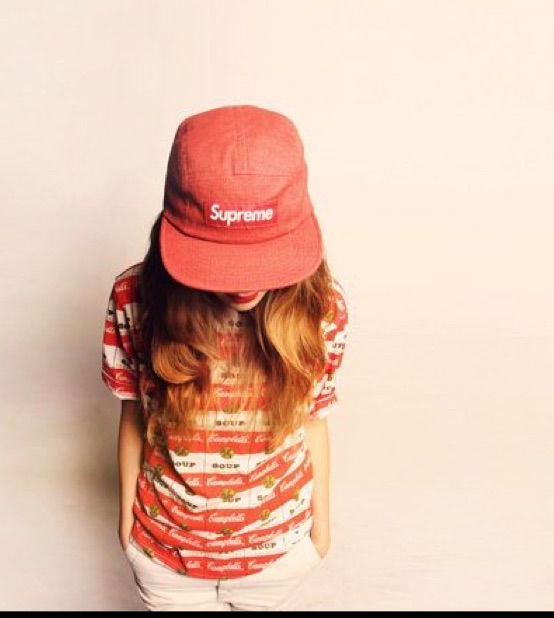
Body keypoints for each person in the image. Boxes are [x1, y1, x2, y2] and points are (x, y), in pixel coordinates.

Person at [101, 104, 349, 611]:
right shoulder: (133, 299)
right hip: (164, 557)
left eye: (258, 255)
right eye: (223, 256)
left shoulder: (322, 308)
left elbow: (313, 420)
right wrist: (128, 526)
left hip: (279, 556)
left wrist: (320, 534)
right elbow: (133, 414)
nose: (241, 283)